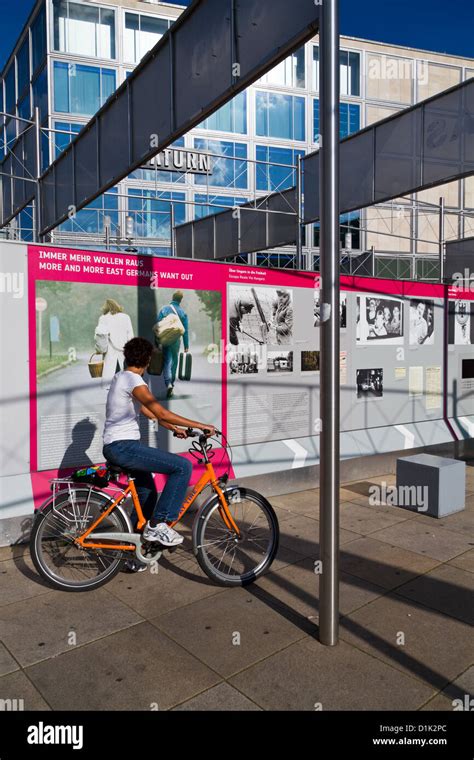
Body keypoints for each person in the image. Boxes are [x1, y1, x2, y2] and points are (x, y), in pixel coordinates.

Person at [102, 337, 215, 568]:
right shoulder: (134, 380)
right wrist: (201, 425)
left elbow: (145, 410)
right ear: (147, 359)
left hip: (117, 447)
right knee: (182, 467)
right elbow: (160, 412)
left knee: (148, 496)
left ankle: (134, 555)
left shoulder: (121, 377)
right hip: (124, 447)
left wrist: (175, 428)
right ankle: (159, 525)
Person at [156, 291, 189, 399]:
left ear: (172, 297)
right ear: (181, 300)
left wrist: (157, 341)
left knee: (166, 361)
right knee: (174, 361)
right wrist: (186, 345)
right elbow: (185, 331)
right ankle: (172, 383)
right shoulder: (182, 312)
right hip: (176, 340)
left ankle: (168, 383)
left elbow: (157, 325)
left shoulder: (164, 309)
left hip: (165, 339)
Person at [94, 299, 134, 386]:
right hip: (124, 350)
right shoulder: (126, 317)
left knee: (111, 376)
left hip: (110, 351)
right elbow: (130, 334)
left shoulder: (103, 318)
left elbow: (99, 337)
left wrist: (98, 348)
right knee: (125, 375)